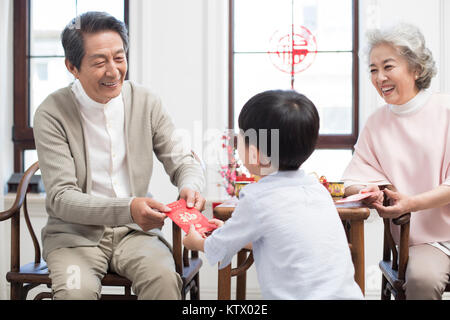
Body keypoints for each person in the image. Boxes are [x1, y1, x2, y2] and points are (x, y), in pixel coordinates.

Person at [33, 11, 205, 300]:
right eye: (99, 62)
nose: (113, 71)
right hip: (74, 239)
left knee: (164, 281)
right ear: (72, 67)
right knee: (75, 292)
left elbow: (183, 159)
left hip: (136, 235)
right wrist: (129, 208)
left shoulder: (145, 101)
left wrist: (191, 186)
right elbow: (62, 198)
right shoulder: (51, 113)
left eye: (119, 57)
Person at [183, 90, 364, 299]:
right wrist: (229, 232)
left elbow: (217, 247)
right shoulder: (317, 190)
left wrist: (195, 242)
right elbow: (279, 239)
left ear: (256, 154)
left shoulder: (256, 197)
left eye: (241, 138)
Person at [341, 23, 450, 300]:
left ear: (416, 69)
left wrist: (411, 202)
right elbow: (353, 180)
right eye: (373, 70)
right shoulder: (376, 124)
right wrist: (371, 191)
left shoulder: (446, 110)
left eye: (388, 66)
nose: (379, 77)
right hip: (426, 241)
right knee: (422, 281)